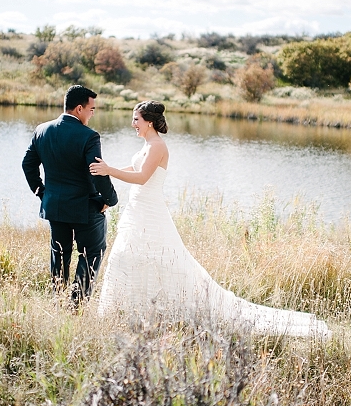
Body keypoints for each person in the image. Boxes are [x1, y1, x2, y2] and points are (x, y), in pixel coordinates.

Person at [90, 100, 330, 338]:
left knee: (166, 260)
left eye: (136, 119)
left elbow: (143, 178)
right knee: (130, 256)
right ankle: (133, 311)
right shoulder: (146, 145)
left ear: (149, 122)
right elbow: (135, 168)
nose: (132, 123)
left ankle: (170, 309)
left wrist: (110, 171)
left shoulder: (157, 147)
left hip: (151, 211)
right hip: (138, 209)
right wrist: (110, 168)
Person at [23, 85, 118, 308]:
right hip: (86, 208)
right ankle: (75, 307)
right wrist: (110, 199)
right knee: (91, 253)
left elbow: (28, 164)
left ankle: (59, 301)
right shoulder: (89, 136)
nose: (93, 113)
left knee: (60, 255)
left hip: (55, 206)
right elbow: (97, 171)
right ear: (78, 108)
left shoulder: (42, 130)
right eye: (91, 109)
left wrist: (42, 192)